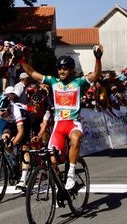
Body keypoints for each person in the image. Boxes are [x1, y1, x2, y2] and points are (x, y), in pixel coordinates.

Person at [19, 44, 103, 190]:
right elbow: (32, 72)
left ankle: (70, 175)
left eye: (65, 68)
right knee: (51, 158)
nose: (61, 71)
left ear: (71, 70)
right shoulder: (53, 81)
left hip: (73, 124)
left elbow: (95, 75)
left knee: (76, 138)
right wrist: (21, 59)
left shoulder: (79, 82)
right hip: (59, 125)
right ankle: (59, 184)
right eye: (59, 68)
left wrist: (98, 59)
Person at [0, 93, 31, 188]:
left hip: (24, 121)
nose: (0, 113)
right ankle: (14, 163)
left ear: (8, 108)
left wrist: (13, 143)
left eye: (3, 111)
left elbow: (21, 131)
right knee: (4, 139)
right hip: (11, 122)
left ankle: (23, 179)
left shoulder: (15, 110)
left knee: (24, 148)